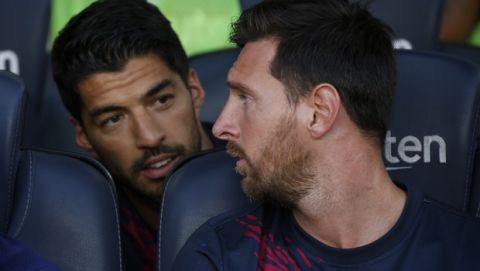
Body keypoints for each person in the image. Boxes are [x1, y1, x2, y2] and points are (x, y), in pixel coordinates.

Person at [173, 0, 480, 270]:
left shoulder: (466, 252)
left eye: (245, 98)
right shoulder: (219, 257)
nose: (221, 126)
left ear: (320, 111)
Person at [51, 1, 221, 270]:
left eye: (161, 101)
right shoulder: (81, 237)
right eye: (113, 119)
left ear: (194, 90)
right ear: (83, 135)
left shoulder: (273, 182)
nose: (149, 137)